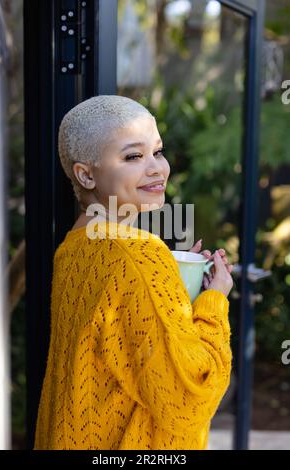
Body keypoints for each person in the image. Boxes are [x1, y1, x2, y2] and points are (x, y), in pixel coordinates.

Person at [33, 95, 234, 450]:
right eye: (133, 156)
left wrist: (175, 291)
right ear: (85, 174)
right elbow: (188, 397)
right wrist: (213, 301)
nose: (157, 168)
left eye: (157, 151)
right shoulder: (140, 254)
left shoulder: (72, 248)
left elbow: (119, 360)